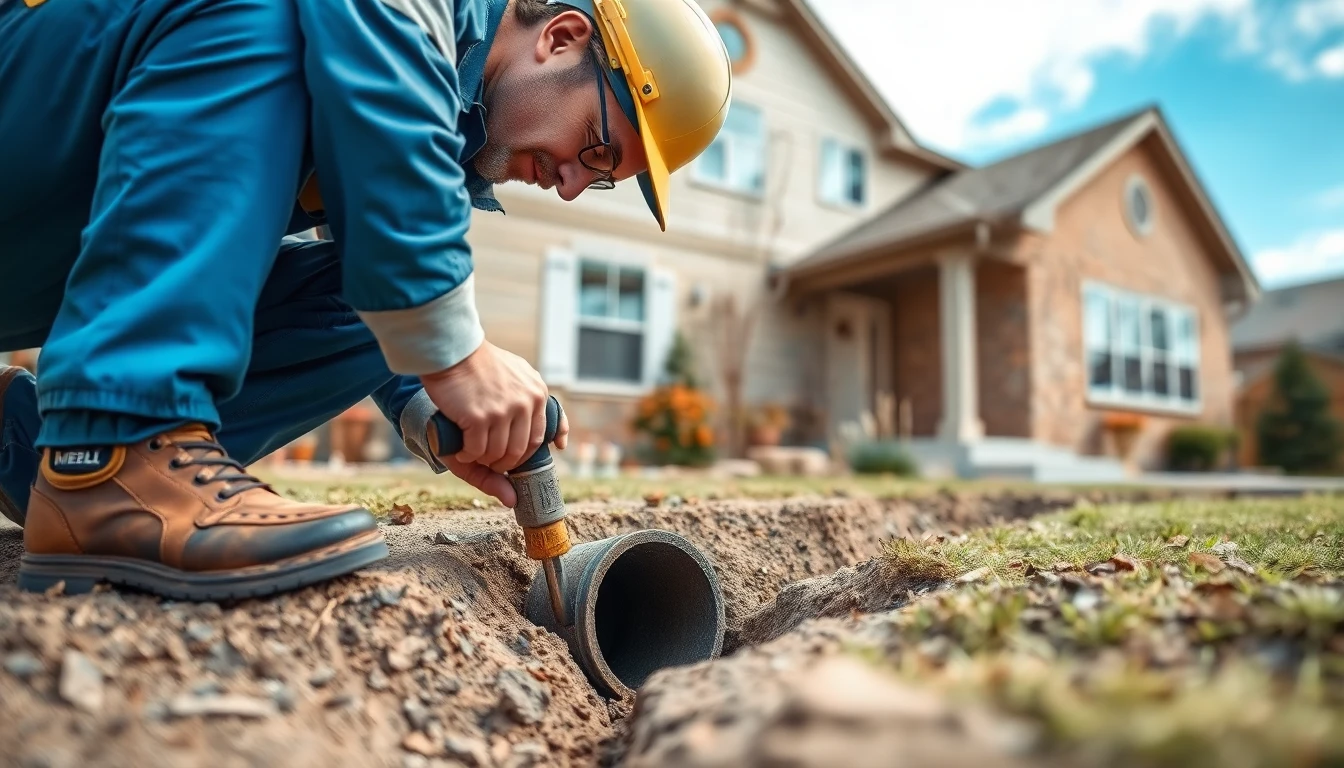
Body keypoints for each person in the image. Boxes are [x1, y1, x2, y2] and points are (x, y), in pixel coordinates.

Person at [0, 0, 732, 600]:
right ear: (562, 37)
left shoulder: (438, 120)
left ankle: (46, 458)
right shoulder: (419, 21)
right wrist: (458, 355)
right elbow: (388, 110)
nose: (571, 185)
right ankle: (117, 437)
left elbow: (384, 258)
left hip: (36, 234)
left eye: (598, 179)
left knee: (376, 294)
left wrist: (428, 397)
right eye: (597, 148)